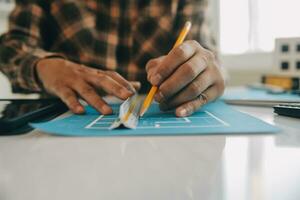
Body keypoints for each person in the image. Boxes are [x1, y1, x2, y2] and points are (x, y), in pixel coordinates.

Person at [0, 0, 225, 117]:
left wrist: (205, 73)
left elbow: (205, 57)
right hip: (59, 124)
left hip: (163, 140)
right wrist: (44, 67)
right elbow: (11, 46)